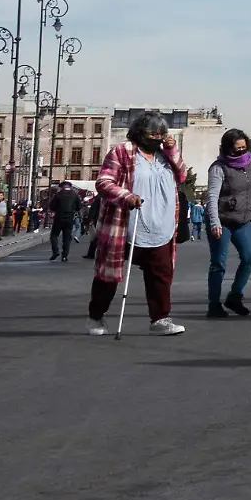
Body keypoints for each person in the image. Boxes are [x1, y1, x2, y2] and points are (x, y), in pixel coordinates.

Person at [88, 113, 190, 336]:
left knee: (161, 274)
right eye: (152, 133)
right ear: (140, 132)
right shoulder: (122, 151)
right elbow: (104, 182)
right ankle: (96, 316)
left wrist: (173, 151)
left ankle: (161, 318)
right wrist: (127, 196)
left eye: (161, 134)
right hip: (125, 224)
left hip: (161, 225)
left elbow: (182, 176)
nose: (157, 137)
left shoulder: (165, 155)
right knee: (109, 274)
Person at [205, 129, 251, 319]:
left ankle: (235, 296)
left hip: (243, 220)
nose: (241, 152)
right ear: (228, 148)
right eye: (237, 149)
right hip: (222, 220)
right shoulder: (218, 168)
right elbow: (212, 197)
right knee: (218, 263)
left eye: (244, 148)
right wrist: (214, 222)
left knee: (249, 257)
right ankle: (214, 304)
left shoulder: (248, 164)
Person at [49, 182, 84, 261]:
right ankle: (64, 256)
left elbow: (51, 206)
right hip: (69, 218)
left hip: (58, 217)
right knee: (67, 237)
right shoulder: (75, 195)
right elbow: (79, 207)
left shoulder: (58, 195)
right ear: (70, 187)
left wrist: (57, 210)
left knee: (54, 235)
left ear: (61, 187)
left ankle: (55, 251)